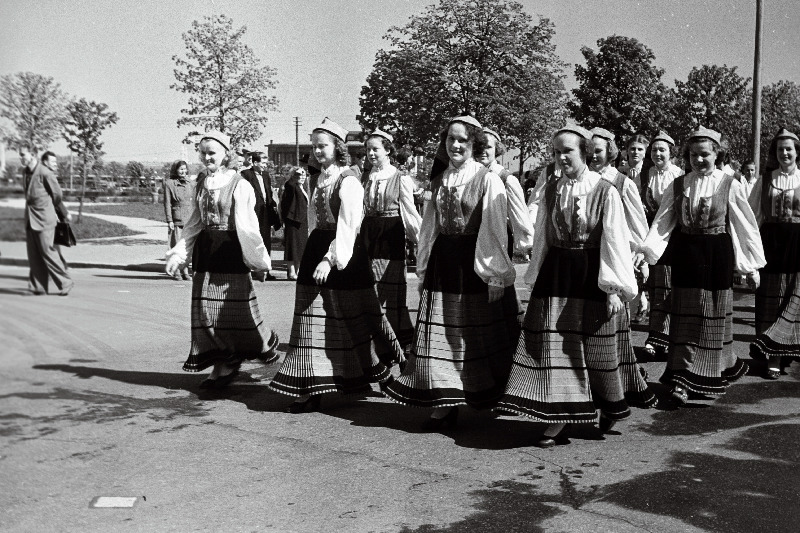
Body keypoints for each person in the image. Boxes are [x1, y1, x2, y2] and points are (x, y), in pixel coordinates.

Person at [497, 124, 643, 448]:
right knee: (556, 347)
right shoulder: (551, 189)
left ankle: (607, 403)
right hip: (557, 274)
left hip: (592, 275)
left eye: (568, 151)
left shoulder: (605, 191)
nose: (561, 157)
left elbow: (614, 240)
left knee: (597, 350)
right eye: (556, 152)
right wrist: (534, 277)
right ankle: (559, 417)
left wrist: (614, 289)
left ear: (585, 152)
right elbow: (542, 237)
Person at [382, 115, 520, 430]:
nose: (455, 145)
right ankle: (445, 403)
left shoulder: (487, 179)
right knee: (439, 335)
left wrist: (495, 274)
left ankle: (488, 392)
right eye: (450, 139)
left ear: (473, 144)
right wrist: (424, 268)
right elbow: (429, 229)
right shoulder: (438, 180)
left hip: (474, 265)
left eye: (462, 140)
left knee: (473, 336)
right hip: (443, 264)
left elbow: (494, 229)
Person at [269, 118, 404, 412]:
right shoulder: (317, 180)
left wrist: (330, 259)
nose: (318, 151)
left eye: (323, 146)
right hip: (316, 250)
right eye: (314, 146)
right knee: (310, 320)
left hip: (345, 255)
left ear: (338, 148)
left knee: (355, 319)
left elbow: (349, 226)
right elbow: (313, 221)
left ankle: (382, 374)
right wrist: (313, 253)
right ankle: (310, 386)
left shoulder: (349, 181)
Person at [635, 127, 766, 405]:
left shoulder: (730, 184)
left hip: (717, 257)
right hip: (686, 255)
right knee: (685, 318)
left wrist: (751, 267)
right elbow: (662, 222)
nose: (699, 160)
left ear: (717, 154)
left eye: (704, 154)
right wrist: (646, 253)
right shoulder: (679, 185)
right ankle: (682, 379)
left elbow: (744, 227)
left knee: (711, 317)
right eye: (693, 155)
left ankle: (709, 372)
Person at [165, 131, 279, 389]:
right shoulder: (202, 182)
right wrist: (179, 253)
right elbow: (194, 223)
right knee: (206, 312)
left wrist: (259, 262)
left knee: (232, 311)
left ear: (226, 154)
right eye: (203, 153)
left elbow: (248, 227)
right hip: (206, 251)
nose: (207, 157)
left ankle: (235, 357)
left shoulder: (239, 184)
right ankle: (222, 362)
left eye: (212, 153)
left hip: (230, 251)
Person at [589, 127, 656, 406]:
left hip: (616, 259)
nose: (593, 156)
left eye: (598, 151)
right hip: (587, 261)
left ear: (611, 152)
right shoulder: (580, 180)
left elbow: (638, 224)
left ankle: (623, 378)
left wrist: (641, 257)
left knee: (615, 324)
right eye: (589, 150)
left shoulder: (621, 182)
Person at [360, 128, 422, 349]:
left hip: (390, 234)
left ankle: (398, 342)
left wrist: (421, 239)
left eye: (375, 149)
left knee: (391, 293)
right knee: (369, 289)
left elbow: (409, 211)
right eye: (368, 150)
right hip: (368, 233)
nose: (371, 154)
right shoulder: (367, 176)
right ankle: (375, 341)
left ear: (387, 150)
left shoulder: (400, 177)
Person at [749, 129, 800, 379]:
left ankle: (790, 349)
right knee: (771, 300)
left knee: (794, 298)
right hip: (770, 244)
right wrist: (750, 252)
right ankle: (773, 356)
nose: (784, 153)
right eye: (780, 149)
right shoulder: (765, 180)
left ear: (797, 152)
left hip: (797, 244)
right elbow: (752, 216)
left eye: (789, 149)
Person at [639, 132, 683, 352]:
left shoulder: (679, 175)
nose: (657, 153)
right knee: (655, 288)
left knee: (669, 287)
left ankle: (667, 338)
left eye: (662, 150)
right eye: (654, 150)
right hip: (650, 234)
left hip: (674, 237)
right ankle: (655, 336)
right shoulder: (645, 175)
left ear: (671, 153)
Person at [22, 147, 73, 296]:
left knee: (47, 252)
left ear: (33, 155)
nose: (21, 158)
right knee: (34, 254)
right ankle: (38, 286)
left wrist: (48, 207)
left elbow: (57, 195)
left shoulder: (45, 172)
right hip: (30, 219)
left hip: (44, 219)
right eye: (19, 155)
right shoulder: (25, 172)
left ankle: (65, 282)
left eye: (23, 155)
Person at [479, 128, 534, 258]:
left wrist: (528, 244)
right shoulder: (468, 175)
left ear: (496, 149)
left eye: (488, 147)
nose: (482, 151)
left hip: (496, 242)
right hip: (470, 240)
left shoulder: (506, 178)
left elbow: (519, 213)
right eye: (478, 146)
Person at [241, 152, 281, 280]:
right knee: (253, 239)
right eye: (262, 163)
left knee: (266, 241)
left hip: (265, 212)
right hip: (253, 212)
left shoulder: (266, 175)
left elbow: (269, 193)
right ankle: (252, 270)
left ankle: (265, 270)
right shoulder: (246, 174)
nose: (265, 165)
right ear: (255, 163)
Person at [163, 160, 194, 280]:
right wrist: (169, 220)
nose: (183, 171)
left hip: (189, 220)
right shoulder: (169, 184)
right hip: (177, 219)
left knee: (186, 246)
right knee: (176, 245)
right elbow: (167, 203)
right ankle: (176, 271)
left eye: (185, 169)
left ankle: (185, 270)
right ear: (176, 170)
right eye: (181, 169)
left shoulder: (191, 183)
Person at [279, 166, 309, 281]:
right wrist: (294, 175)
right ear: (293, 176)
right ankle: (291, 272)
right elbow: (289, 183)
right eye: (299, 175)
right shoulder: (291, 186)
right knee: (292, 247)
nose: (302, 177)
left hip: (302, 222)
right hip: (293, 221)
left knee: (300, 248)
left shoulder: (302, 187)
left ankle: (298, 271)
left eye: (304, 175)